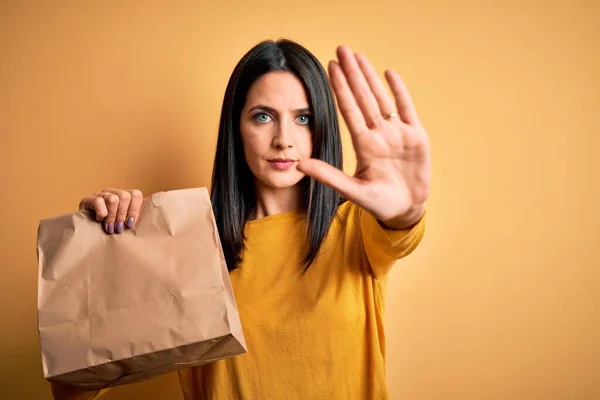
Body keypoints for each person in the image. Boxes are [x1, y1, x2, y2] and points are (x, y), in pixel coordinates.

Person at [53, 38, 431, 399]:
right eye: (263, 116)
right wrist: (101, 252)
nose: (284, 139)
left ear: (322, 130)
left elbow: (401, 231)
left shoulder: (356, 228)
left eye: (303, 118)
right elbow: (72, 387)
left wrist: (407, 210)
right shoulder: (187, 243)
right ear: (237, 129)